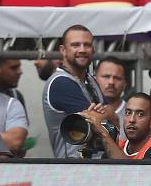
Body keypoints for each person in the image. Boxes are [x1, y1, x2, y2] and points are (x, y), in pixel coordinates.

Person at [42, 25, 105, 158]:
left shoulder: (90, 80)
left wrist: (106, 115)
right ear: (63, 50)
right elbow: (101, 121)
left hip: (97, 167)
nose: (82, 50)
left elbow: (111, 116)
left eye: (87, 45)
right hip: (72, 169)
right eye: (75, 45)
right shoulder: (60, 83)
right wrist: (105, 115)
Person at [81, 92, 151, 160]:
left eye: (140, 114)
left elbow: (128, 174)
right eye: (128, 113)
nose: (132, 120)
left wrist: (103, 133)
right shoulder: (117, 147)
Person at [95, 56, 128, 140]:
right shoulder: (85, 110)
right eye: (106, 76)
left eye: (117, 78)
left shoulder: (133, 116)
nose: (111, 82)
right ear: (94, 79)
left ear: (125, 84)